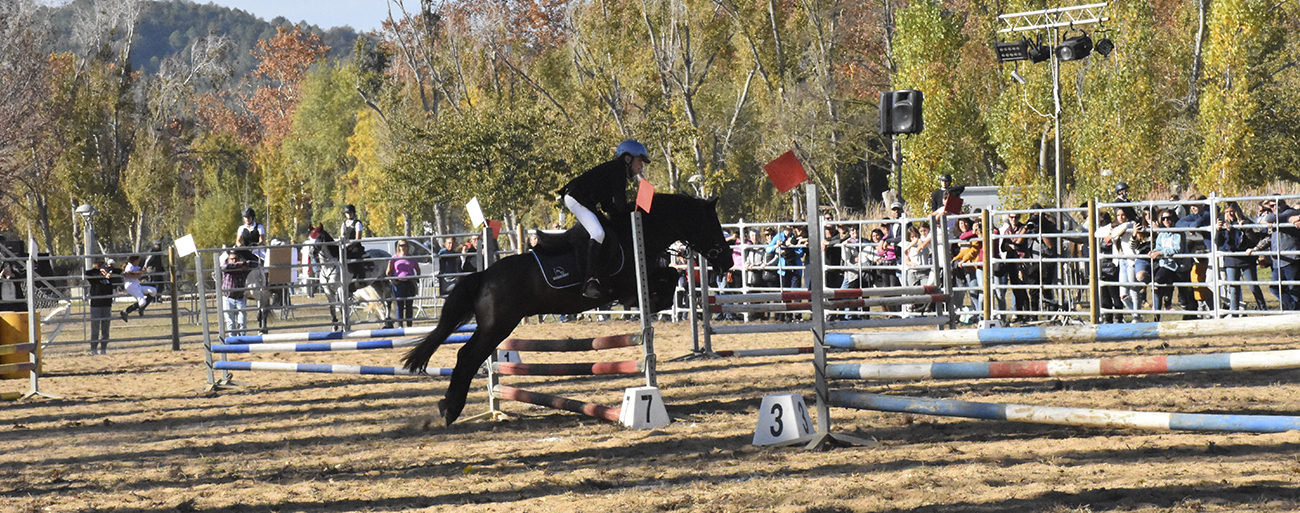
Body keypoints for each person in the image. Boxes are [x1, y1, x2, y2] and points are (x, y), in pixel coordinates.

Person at [558, 139, 648, 299]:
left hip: (584, 200)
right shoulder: (618, 171)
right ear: (628, 159)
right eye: (640, 160)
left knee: (609, 231)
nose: (641, 165)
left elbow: (607, 205)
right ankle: (589, 281)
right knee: (598, 233)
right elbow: (620, 205)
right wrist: (637, 208)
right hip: (576, 198)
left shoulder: (614, 170)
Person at [1218, 202, 1267, 314]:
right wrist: (1219, 230)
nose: (1229, 214)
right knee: (1233, 288)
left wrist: (1245, 228)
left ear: (1237, 211)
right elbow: (1220, 243)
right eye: (1227, 212)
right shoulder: (1223, 224)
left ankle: (1264, 310)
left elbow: (1254, 240)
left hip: (1246, 259)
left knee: (1253, 286)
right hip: (1231, 259)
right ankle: (1234, 313)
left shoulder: (1246, 222)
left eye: (1232, 211)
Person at [85, 258, 120, 355]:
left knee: (105, 328)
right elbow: (88, 273)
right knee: (95, 328)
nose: (103, 266)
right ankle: (94, 348)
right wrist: (101, 271)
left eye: (103, 264)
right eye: (100, 264)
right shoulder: (93, 274)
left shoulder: (109, 274)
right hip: (96, 305)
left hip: (107, 304)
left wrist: (110, 270)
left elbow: (119, 271)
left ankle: (103, 348)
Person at [386, 240, 421, 328]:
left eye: (405, 245)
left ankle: (409, 324)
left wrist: (416, 278)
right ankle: (400, 325)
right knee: (400, 305)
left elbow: (418, 269)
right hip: (399, 283)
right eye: (401, 245)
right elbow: (388, 272)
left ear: (408, 247)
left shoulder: (412, 258)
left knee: (409, 304)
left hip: (409, 282)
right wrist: (393, 281)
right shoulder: (394, 258)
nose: (403, 247)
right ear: (398, 247)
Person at [221, 251, 257, 335]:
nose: (233, 261)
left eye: (235, 259)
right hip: (228, 297)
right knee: (230, 322)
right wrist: (242, 265)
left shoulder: (243, 268)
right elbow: (225, 267)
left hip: (240, 297)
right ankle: (233, 341)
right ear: (228, 260)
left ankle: (242, 339)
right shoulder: (227, 268)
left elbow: (256, 264)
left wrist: (245, 263)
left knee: (242, 321)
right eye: (231, 259)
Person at [118, 255, 158, 322]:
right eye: (138, 260)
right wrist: (137, 273)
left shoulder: (135, 267)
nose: (138, 262)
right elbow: (127, 275)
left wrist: (142, 271)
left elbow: (141, 273)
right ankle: (125, 311)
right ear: (135, 260)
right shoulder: (129, 266)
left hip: (137, 285)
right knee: (142, 302)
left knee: (153, 291)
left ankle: (142, 308)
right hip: (131, 286)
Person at [340, 204, 366, 284]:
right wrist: (342, 240)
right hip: (346, 246)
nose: (349, 214)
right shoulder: (344, 224)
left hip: (355, 246)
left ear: (353, 213)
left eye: (350, 212)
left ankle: (360, 276)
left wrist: (349, 244)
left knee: (355, 256)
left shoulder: (357, 223)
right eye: (347, 213)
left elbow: (358, 238)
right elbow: (342, 235)